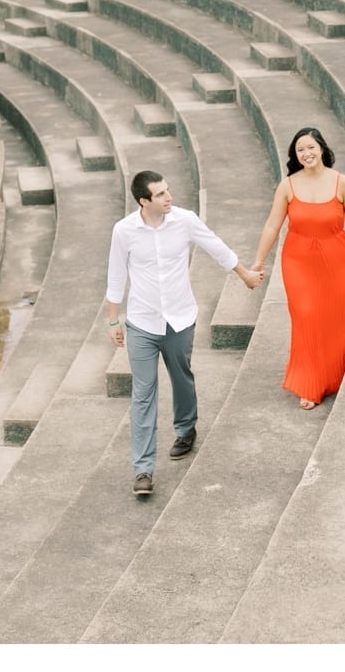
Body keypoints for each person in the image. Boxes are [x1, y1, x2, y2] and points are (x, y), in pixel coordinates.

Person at [105, 170, 263, 496]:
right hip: (142, 324)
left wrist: (245, 274)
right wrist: (112, 321)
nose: (168, 197)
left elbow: (215, 247)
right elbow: (116, 276)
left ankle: (186, 428)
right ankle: (143, 470)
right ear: (143, 201)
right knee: (143, 394)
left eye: (168, 191)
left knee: (181, 377)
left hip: (179, 319)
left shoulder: (184, 221)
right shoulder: (124, 231)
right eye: (160, 194)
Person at [250, 127, 345, 410]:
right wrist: (259, 260)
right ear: (295, 156)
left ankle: (331, 372)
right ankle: (310, 383)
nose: (306, 153)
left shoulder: (342, 183)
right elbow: (273, 224)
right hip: (298, 260)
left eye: (310, 147)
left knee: (331, 317)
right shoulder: (288, 186)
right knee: (306, 315)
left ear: (321, 148)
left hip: (337, 257)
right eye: (300, 150)